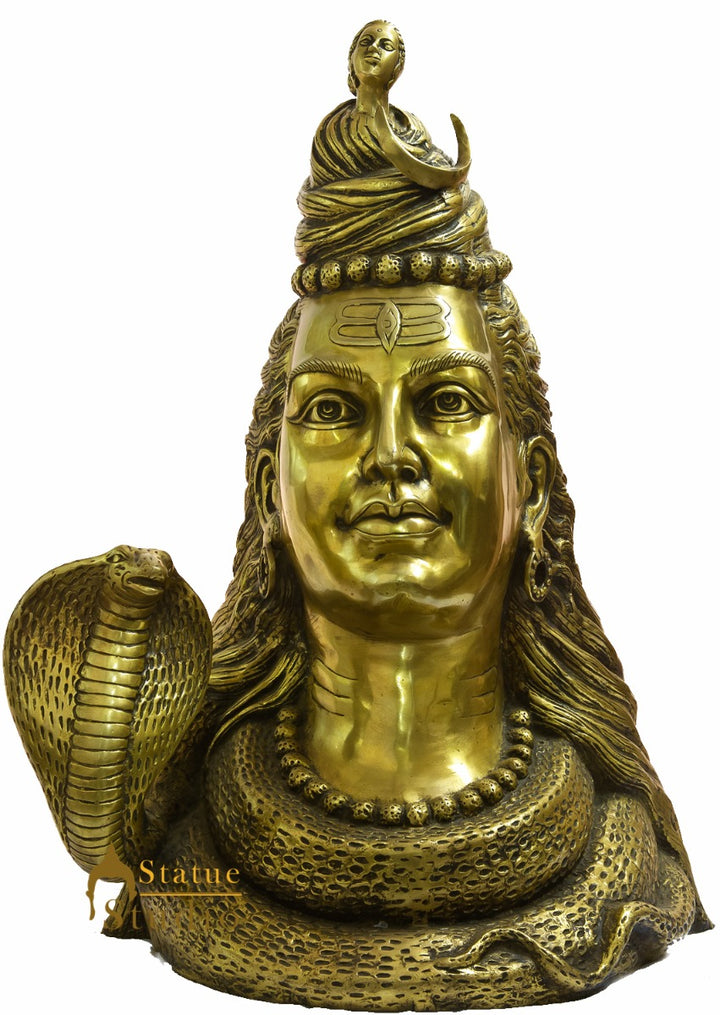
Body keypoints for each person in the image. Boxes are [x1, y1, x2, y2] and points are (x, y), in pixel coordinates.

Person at [5, 20, 709, 1011]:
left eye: (447, 402)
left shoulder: (617, 862)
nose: (389, 457)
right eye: (333, 410)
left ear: (535, 484)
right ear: (267, 490)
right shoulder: (186, 854)